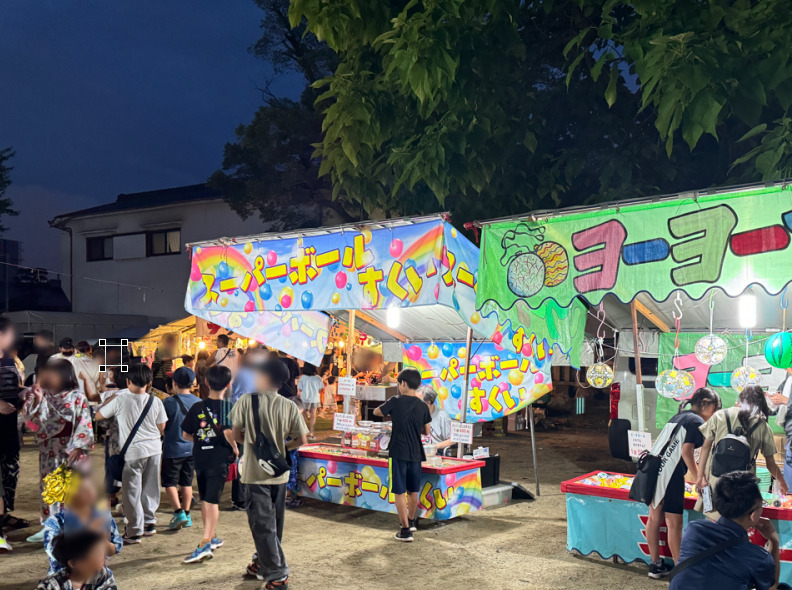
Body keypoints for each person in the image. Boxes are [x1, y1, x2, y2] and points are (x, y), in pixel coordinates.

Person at [230, 358, 308, 589]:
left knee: (262, 524)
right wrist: (283, 449)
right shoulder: (289, 405)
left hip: (255, 473)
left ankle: (278, 573)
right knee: (274, 522)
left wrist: (252, 446)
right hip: (280, 473)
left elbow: (236, 434)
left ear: (264, 377)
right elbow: (301, 439)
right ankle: (262, 562)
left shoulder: (246, 401)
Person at [646, 387, 721, 578]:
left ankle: (655, 564)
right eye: (716, 408)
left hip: (654, 471)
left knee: (654, 518)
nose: (715, 414)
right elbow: (686, 451)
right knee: (674, 523)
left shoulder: (679, 416)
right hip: (670, 475)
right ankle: (680, 569)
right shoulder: (695, 421)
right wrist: (699, 478)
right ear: (706, 404)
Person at [670, 471, 779, 590]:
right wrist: (774, 540)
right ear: (753, 515)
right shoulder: (758, 557)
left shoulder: (693, 530)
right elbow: (771, 587)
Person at [95, 364, 167, 544]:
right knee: (151, 487)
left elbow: (98, 416)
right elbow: (162, 428)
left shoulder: (120, 400)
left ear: (128, 381)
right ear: (150, 382)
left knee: (132, 491)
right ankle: (149, 523)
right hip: (155, 450)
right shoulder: (156, 401)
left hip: (134, 452)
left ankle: (135, 530)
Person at [23, 359, 94, 541]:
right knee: (49, 486)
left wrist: (79, 447)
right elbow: (31, 424)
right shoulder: (43, 395)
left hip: (71, 450)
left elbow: (84, 422)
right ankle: (50, 525)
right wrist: (38, 400)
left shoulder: (77, 396)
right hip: (49, 450)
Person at [697, 385, 788, 516]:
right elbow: (770, 463)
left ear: (740, 399)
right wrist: (782, 482)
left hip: (716, 478)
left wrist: (701, 477)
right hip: (743, 483)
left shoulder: (720, 415)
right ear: (760, 403)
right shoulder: (762, 425)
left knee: (715, 520)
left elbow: (705, 448)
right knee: (739, 521)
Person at [181, 365, 237, 563]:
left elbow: (185, 433)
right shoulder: (228, 407)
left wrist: (201, 440)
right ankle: (206, 541)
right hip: (219, 458)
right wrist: (235, 448)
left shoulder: (197, 407)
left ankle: (211, 536)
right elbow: (231, 433)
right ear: (228, 385)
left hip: (201, 458)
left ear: (206, 382)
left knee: (207, 497)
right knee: (212, 500)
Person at [373, 368, 432, 542]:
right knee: (413, 490)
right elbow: (427, 431)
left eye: (398, 383)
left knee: (399, 491)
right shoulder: (423, 405)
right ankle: (411, 521)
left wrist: (392, 413)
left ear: (403, 383)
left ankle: (405, 530)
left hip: (398, 451)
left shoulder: (395, 401)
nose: (399, 386)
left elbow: (377, 412)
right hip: (416, 452)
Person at [43, 475, 121, 575]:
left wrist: (103, 542)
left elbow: (115, 547)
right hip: (64, 575)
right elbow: (57, 554)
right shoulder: (54, 522)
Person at [161, 367, 201, 531]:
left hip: (173, 448)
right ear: (193, 384)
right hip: (192, 449)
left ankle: (178, 513)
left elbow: (162, 426)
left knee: (169, 482)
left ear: (174, 383)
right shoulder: (198, 402)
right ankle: (187, 513)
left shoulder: (168, 402)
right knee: (186, 481)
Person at [0, 317, 27, 549]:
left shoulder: (9, 360)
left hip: (9, 429)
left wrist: (26, 392)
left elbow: (14, 388)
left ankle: (4, 514)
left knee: (10, 475)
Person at [36, 530, 118, 590]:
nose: (103, 557)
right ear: (73, 563)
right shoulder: (50, 586)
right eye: (97, 554)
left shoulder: (103, 575)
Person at [420, 386, 455, 455]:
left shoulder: (442, 417)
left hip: (437, 452)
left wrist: (435, 446)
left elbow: (453, 440)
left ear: (428, 403)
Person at [297, 364, 322, 441]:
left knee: (304, 415)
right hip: (314, 398)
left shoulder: (302, 378)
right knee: (313, 415)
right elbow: (320, 389)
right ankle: (311, 432)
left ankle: (304, 432)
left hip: (304, 398)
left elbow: (300, 389)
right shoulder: (318, 378)